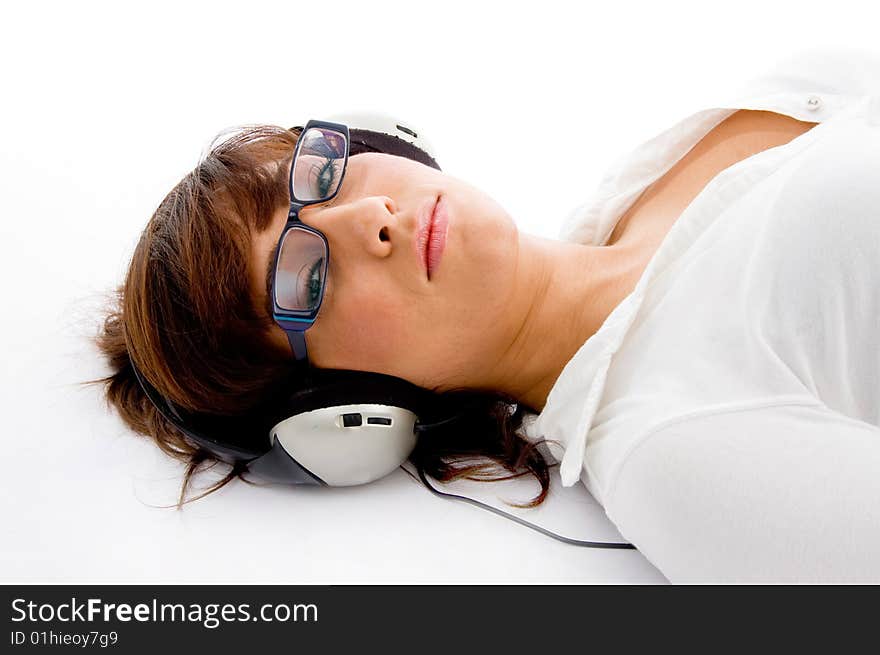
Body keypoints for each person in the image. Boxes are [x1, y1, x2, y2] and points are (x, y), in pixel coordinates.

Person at [96, 46, 880, 581]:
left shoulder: (663, 159)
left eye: (316, 176)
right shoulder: (677, 448)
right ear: (344, 414)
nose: (370, 213)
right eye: (305, 279)